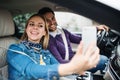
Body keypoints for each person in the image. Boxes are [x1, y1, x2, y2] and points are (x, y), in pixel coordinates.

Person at [7, 14, 100, 80]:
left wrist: (75, 69)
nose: (35, 27)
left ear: (44, 32)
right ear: (26, 29)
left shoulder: (44, 52)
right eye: (31, 24)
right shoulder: (15, 49)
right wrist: (72, 67)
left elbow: (57, 66)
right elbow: (31, 70)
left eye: (40, 26)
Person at [38, 7, 108, 73]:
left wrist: (95, 29)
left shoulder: (62, 31)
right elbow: (59, 63)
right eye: (47, 21)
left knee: (101, 58)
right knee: (103, 60)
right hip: (69, 67)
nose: (52, 22)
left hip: (74, 60)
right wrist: (81, 62)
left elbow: (79, 39)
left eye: (53, 18)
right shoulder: (48, 41)